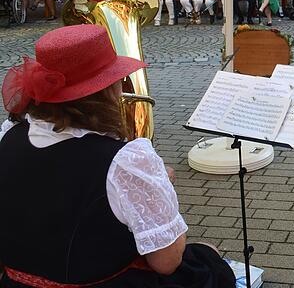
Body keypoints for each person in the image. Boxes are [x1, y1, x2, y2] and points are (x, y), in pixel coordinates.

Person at [0, 24, 235, 287]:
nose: (122, 88)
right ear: (104, 90)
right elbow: (167, 262)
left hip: (14, 281)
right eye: (117, 80)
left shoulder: (9, 136)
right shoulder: (126, 160)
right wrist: (158, 189)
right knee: (208, 256)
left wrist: (146, 185)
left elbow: (52, 186)